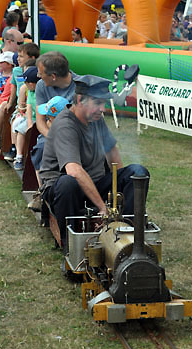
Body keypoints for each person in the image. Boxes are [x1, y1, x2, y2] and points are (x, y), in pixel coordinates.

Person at [39, 74, 149, 251]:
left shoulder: (96, 119)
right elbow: (73, 170)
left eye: (104, 103)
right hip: (64, 189)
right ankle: (71, 247)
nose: (103, 109)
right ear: (81, 99)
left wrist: (118, 189)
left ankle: (128, 234)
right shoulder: (65, 124)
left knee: (137, 172)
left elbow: (111, 150)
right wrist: (102, 207)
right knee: (69, 183)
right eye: (98, 103)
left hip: (94, 183)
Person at [27, 51, 77, 212]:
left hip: (77, 134)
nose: (39, 77)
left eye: (41, 74)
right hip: (50, 132)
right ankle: (44, 192)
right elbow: (40, 121)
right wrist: (53, 138)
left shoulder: (80, 87)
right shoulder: (42, 85)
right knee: (42, 148)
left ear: (53, 76)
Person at [3, 42, 40, 161]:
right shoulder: (17, 71)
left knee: (19, 122)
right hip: (20, 106)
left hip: (31, 109)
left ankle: (22, 153)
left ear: (32, 58)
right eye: (18, 56)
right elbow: (13, 86)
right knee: (15, 122)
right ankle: (14, 148)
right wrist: (10, 102)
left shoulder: (37, 74)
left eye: (21, 56)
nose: (18, 59)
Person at [12, 66, 39, 171]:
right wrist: (29, 123)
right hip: (32, 118)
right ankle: (19, 157)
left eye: (26, 83)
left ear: (31, 84)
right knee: (20, 130)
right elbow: (29, 107)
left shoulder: (40, 92)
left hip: (42, 120)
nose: (24, 85)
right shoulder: (31, 92)